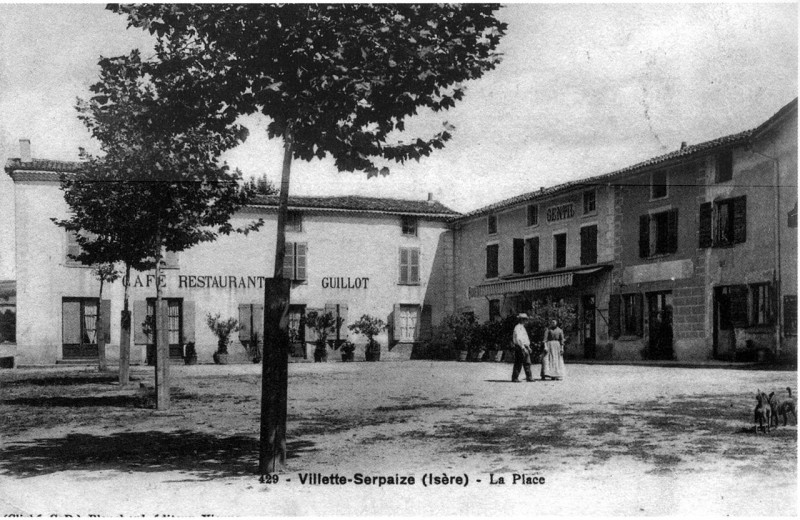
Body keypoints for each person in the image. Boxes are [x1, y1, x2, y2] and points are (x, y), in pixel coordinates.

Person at [511, 313, 534, 382]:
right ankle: (515, 377)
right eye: (525, 319)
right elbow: (519, 339)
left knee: (527, 362)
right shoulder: (517, 327)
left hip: (525, 346)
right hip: (520, 347)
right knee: (519, 362)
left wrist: (528, 347)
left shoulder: (522, 327)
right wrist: (523, 348)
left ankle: (529, 377)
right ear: (521, 320)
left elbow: (525, 339)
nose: (526, 321)